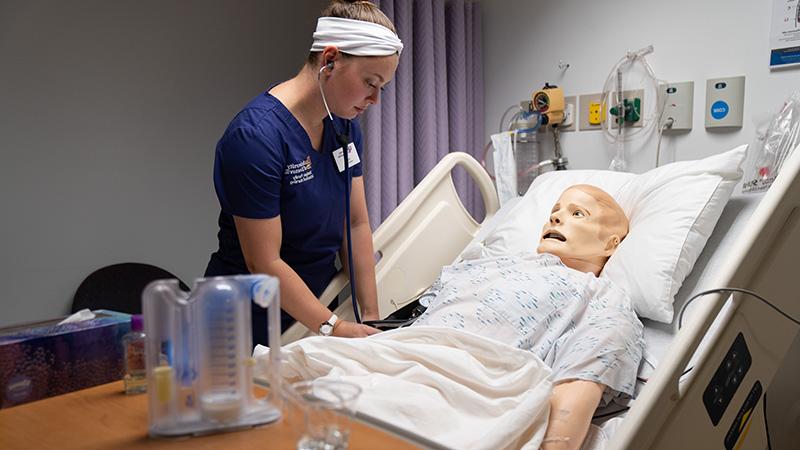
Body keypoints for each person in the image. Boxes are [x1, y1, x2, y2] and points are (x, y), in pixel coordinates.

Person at [205, 0, 402, 345]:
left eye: (381, 87)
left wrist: (373, 320)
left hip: (311, 316)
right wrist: (334, 327)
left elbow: (354, 224)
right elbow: (264, 261)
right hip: (242, 326)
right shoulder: (255, 139)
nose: (375, 99)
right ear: (329, 60)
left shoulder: (343, 125)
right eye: (370, 82)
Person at [412, 184, 645, 450]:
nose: (556, 218)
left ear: (610, 243)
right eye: (554, 211)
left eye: (577, 213)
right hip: (393, 361)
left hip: (462, 392)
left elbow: (576, 389)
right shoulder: (489, 264)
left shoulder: (603, 299)